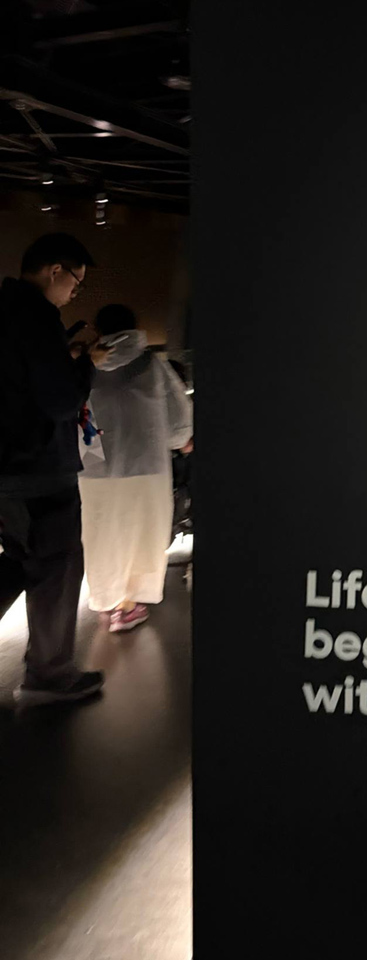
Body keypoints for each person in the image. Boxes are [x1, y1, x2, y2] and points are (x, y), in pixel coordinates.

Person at [0, 233, 108, 706]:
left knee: (17, 561)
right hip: (40, 468)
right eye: (75, 283)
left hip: (8, 468)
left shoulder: (6, 309)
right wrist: (87, 366)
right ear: (55, 270)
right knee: (56, 572)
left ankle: (48, 672)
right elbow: (61, 402)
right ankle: (49, 675)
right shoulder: (38, 317)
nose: (73, 293)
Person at [80, 304, 193, 632]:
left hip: (95, 466)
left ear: (99, 330)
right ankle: (129, 604)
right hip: (146, 464)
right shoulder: (152, 364)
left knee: (102, 533)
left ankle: (110, 596)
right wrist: (181, 440)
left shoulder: (85, 367)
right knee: (143, 533)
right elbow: (177, 416)